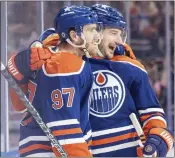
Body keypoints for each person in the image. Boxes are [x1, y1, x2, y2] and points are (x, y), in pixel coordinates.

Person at [9, 4, 174, 157]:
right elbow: (22, 106)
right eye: (113, 33)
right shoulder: (61, 61)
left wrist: (159, 136)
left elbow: (152, 112)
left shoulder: (127, 66)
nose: (119, 41)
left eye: (120, 34)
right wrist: (19, 69)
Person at [8, 5, 103, 157]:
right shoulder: (66, 65)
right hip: (47, 150)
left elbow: (20, 106)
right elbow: (65, 131)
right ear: (74, 36)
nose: (97, 36)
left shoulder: (56, 58)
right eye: (91, 30)